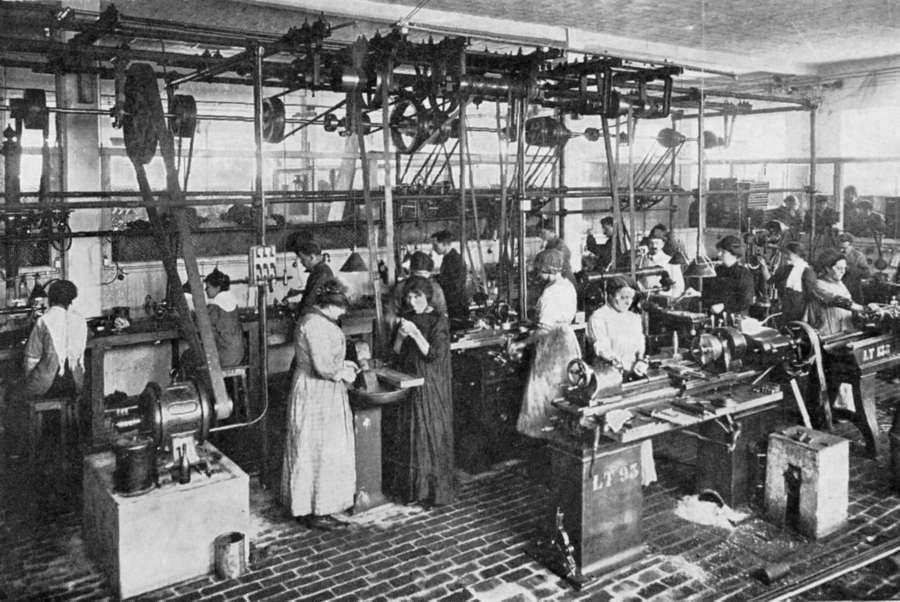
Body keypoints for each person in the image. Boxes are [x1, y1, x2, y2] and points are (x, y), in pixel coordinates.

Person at [281, 278, 359, 530]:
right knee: (319, 449)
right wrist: (343, 372)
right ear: (331, 305)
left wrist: (343, 364)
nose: (342, 313)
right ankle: (316, 510)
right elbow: (323, 367)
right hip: (316, 392)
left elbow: (323, 358)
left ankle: (319, 504)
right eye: (341, 308)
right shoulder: (315, 324)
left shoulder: (315, 319)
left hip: (320, 391)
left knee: (319, 448)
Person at [390, 278, 456, 506]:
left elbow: (433, 354)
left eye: (417, 296)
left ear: (427, 297)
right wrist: (400, 336)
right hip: (409, 380)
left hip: (430, 383)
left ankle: (432, 492)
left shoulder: (439, 320)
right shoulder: (407, 317)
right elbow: (395, 353)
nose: (412, 301)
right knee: (412, 433)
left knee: (429, 432)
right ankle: (414, 491)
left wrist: (417, 334)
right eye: (409, 297)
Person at [585, 276, 655, 485]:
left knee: (636, 422)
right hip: (607, 376)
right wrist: (616, 362)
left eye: (630, 298)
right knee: (613, 425)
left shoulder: (634, 318)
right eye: (622, 296)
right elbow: (600, 347)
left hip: (632, 374)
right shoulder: (598, 317)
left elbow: (641, 344)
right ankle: (612, 480)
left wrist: (641, 361)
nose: (627, 301)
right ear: (609, 295)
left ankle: (641, 477)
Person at [511, 249, 580, 440]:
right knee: (565, 389)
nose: (538, 274)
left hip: (552, 346)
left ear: (548, 269)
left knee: (546, 392)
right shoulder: (568, 286)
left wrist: (521, 343)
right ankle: (561, 435)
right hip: (567, 340)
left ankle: (543, 438)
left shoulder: (551, 292)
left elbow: (544, 330)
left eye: (539, 270)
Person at [21, 280, 88, 399]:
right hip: (73, 383)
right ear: (71, 299)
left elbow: (31, 357)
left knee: (16, 387)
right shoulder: (80, 320)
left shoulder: (44, 321)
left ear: (51, 298)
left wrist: (28, 380)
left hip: (47, 385)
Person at [805, 249, 865, 337]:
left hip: (845, 331)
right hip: (828, 334)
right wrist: (862, 308)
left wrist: (860, 313)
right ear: (827, 268)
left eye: (844, 268)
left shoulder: (839, 283)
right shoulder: (818, 284)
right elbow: (837, 300)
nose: (843, 271)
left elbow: (850, 302)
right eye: (839, 268)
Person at [702, 235, 756, 318]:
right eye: (719, 251)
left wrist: (724, 306)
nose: (719, 254)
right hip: (714, 317)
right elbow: (708, 294)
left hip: (735, 319)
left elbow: (746, 301)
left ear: (734, 254)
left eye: (723, 252)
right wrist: (698, 293)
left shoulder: (744, 274)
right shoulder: (717, 271)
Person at [389, 251, 447, 320]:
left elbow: (442, 314)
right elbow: (393, 314)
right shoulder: (400, 288)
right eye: (417, 275)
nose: (419, 281)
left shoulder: (436, 289)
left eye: (423, 276)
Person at [769, 242, 816, 325]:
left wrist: (805, 316)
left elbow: (811, 298)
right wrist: (763, 266)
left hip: (800, 313)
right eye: (785, 254)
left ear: (797, 254)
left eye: (788, 254)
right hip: (785, 310)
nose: (785, 256)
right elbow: (770, 281)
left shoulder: (807, 272)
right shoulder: (786, 269)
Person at [288, 238, 334, 319]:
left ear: (312, 257)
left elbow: (309, 301)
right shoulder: (321, 270)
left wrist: (294, 306)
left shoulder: (320, 273)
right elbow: (316, 291)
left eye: (303, 259)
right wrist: (299, 292)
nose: (301, 262)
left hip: (319, 318)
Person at [431, 230, 468, 323]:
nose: (434, 249)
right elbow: (447, 277)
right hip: (452, 302)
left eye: (435, 245)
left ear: (444, 244)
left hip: (456, 304)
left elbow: (453, 283)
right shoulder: (448, 258)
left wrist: (437, 280)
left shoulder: (455, 259)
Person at [838, 232, 871, 303]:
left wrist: (850, 269)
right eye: (840, 248)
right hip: (839, 288)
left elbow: (866, 273)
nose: (841, 250)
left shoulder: (858, 256)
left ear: (850, 244)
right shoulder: (837, 254)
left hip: (853, 290)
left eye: (844, 248)